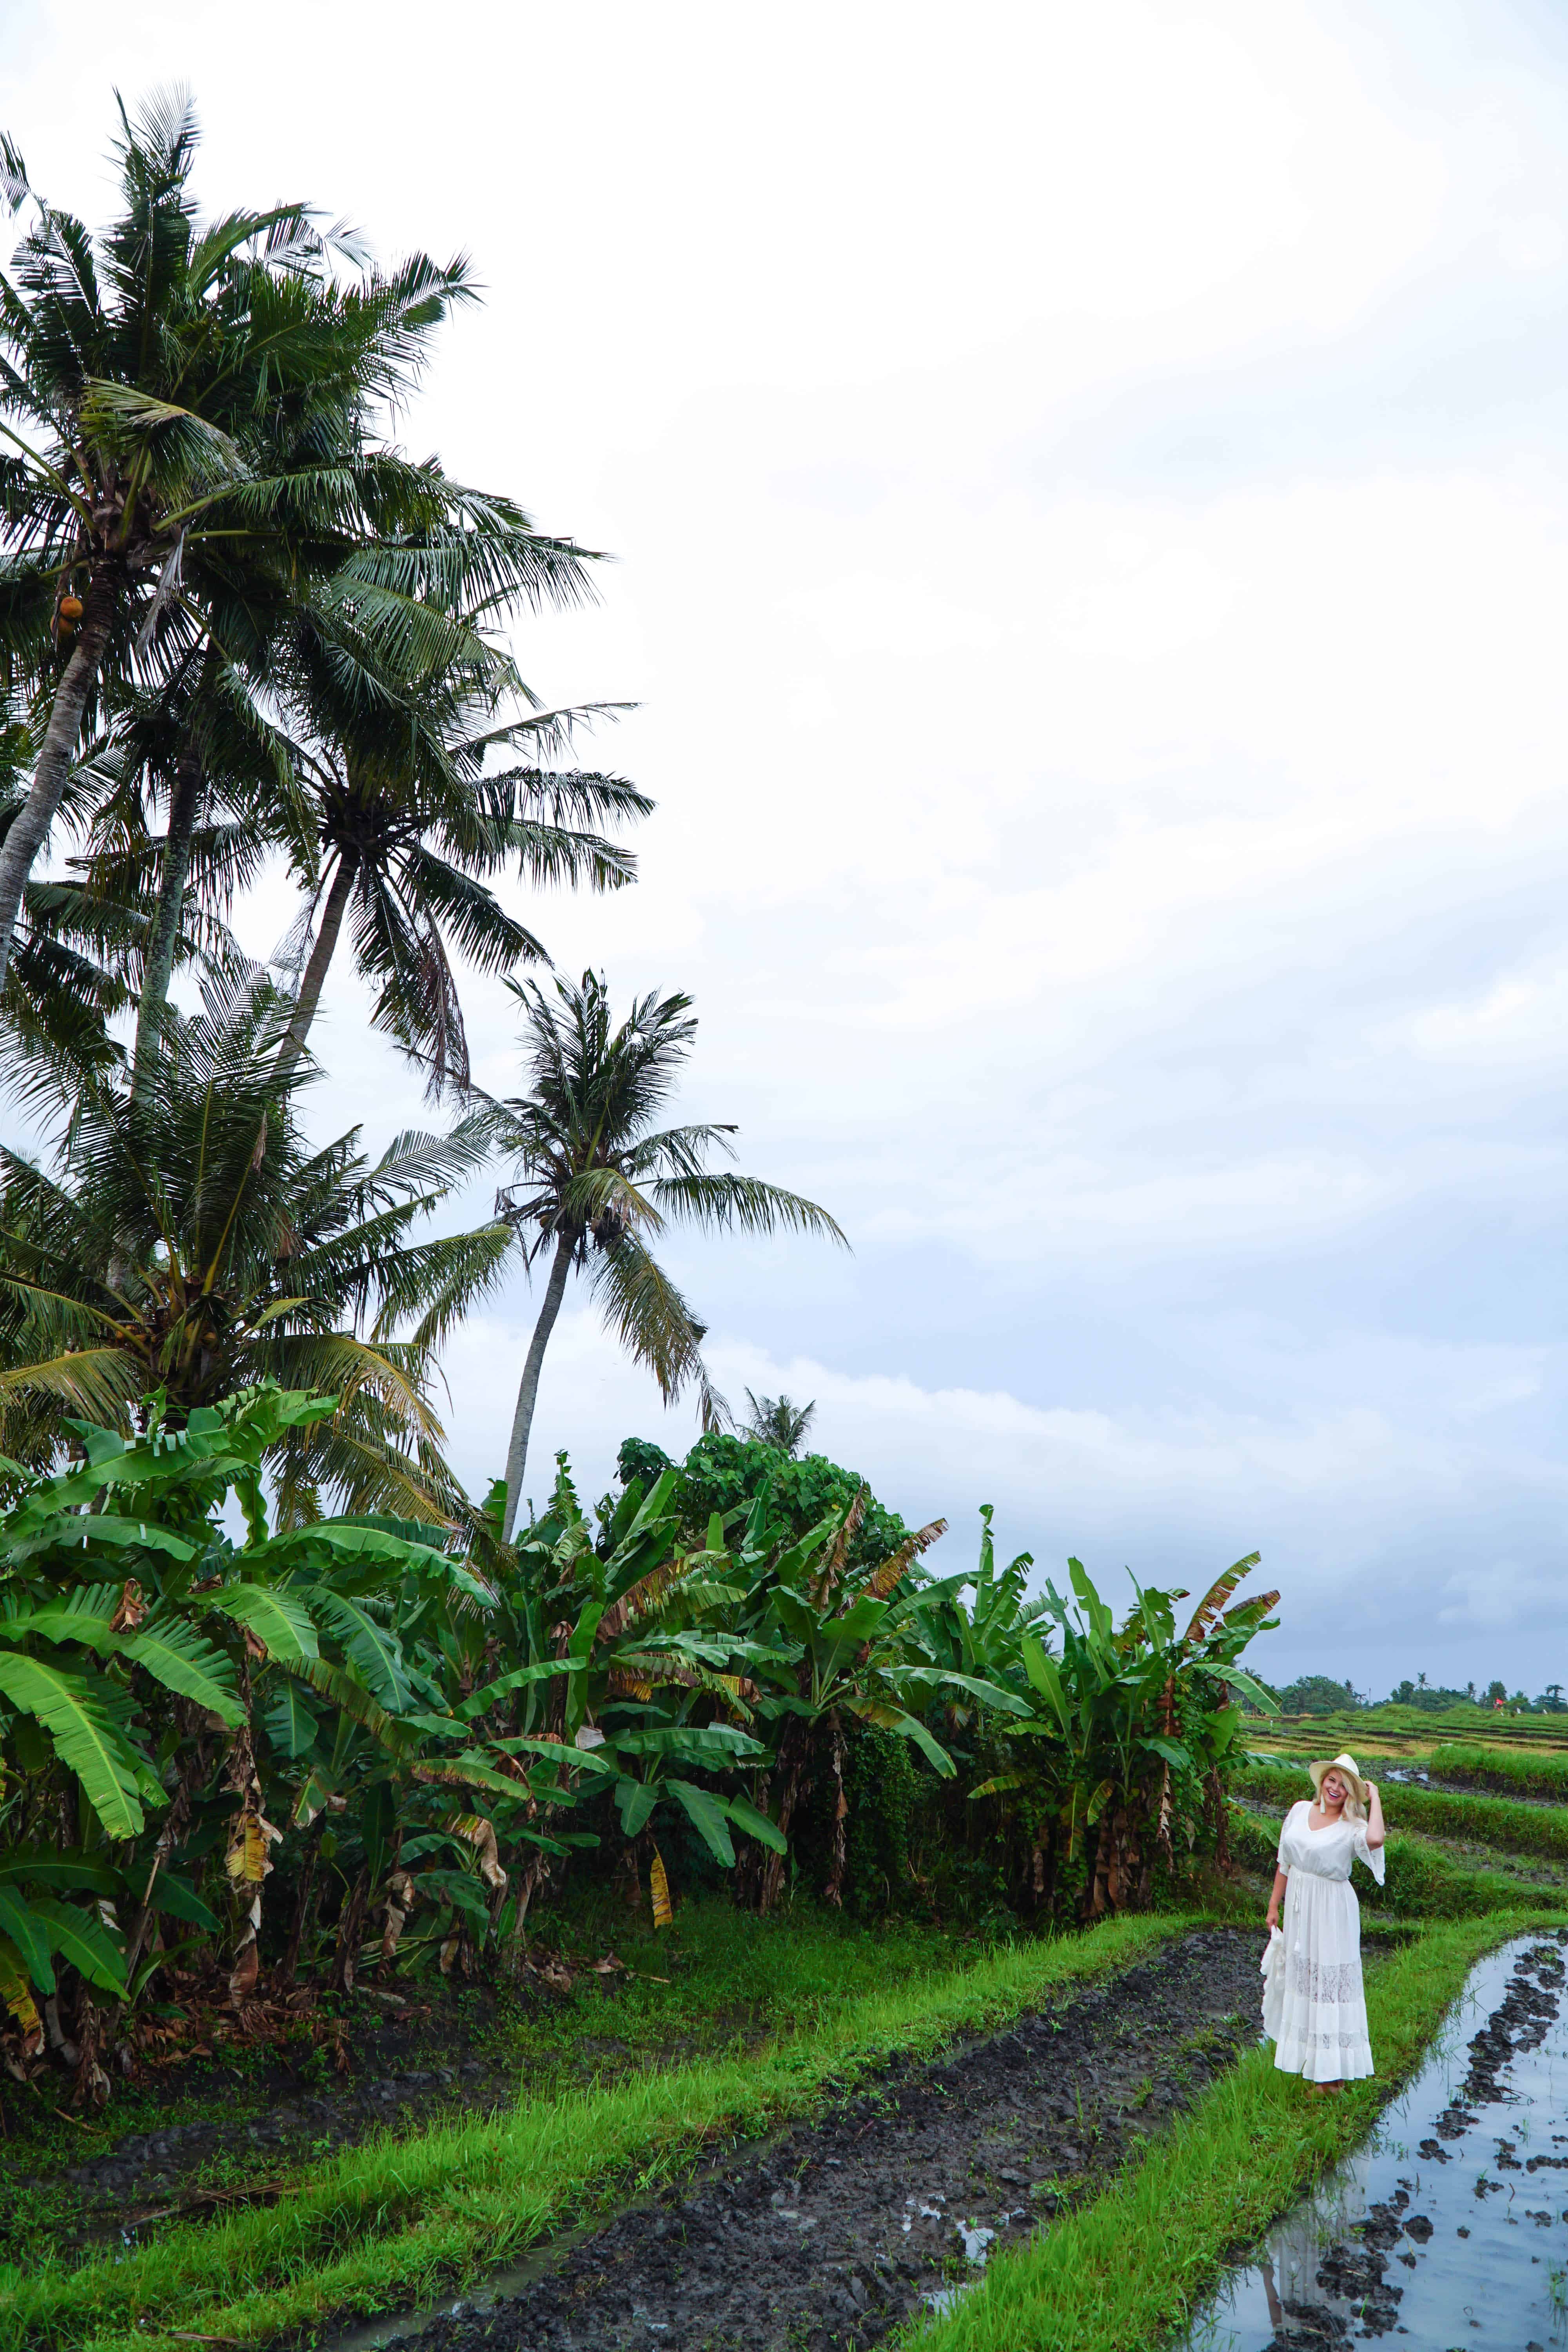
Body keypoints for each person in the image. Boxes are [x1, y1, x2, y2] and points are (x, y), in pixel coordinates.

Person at [1261, 1752, 1386, 2094]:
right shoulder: (1300, 1810)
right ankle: (1316, 2067)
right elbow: (1284, 1862)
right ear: (1322, 1782)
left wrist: (1374, 1798)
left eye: (1344, 1786)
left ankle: (1332, 2079)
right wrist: (1274, 1904)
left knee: (1329, 1984)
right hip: (1300, 1909)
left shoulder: (1353, 1827)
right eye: (1332, 1780)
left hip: (1332, 1911)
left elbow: (1376, 1840)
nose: (1335, 1789)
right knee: (1306, 1979)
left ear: (1350, 1795)